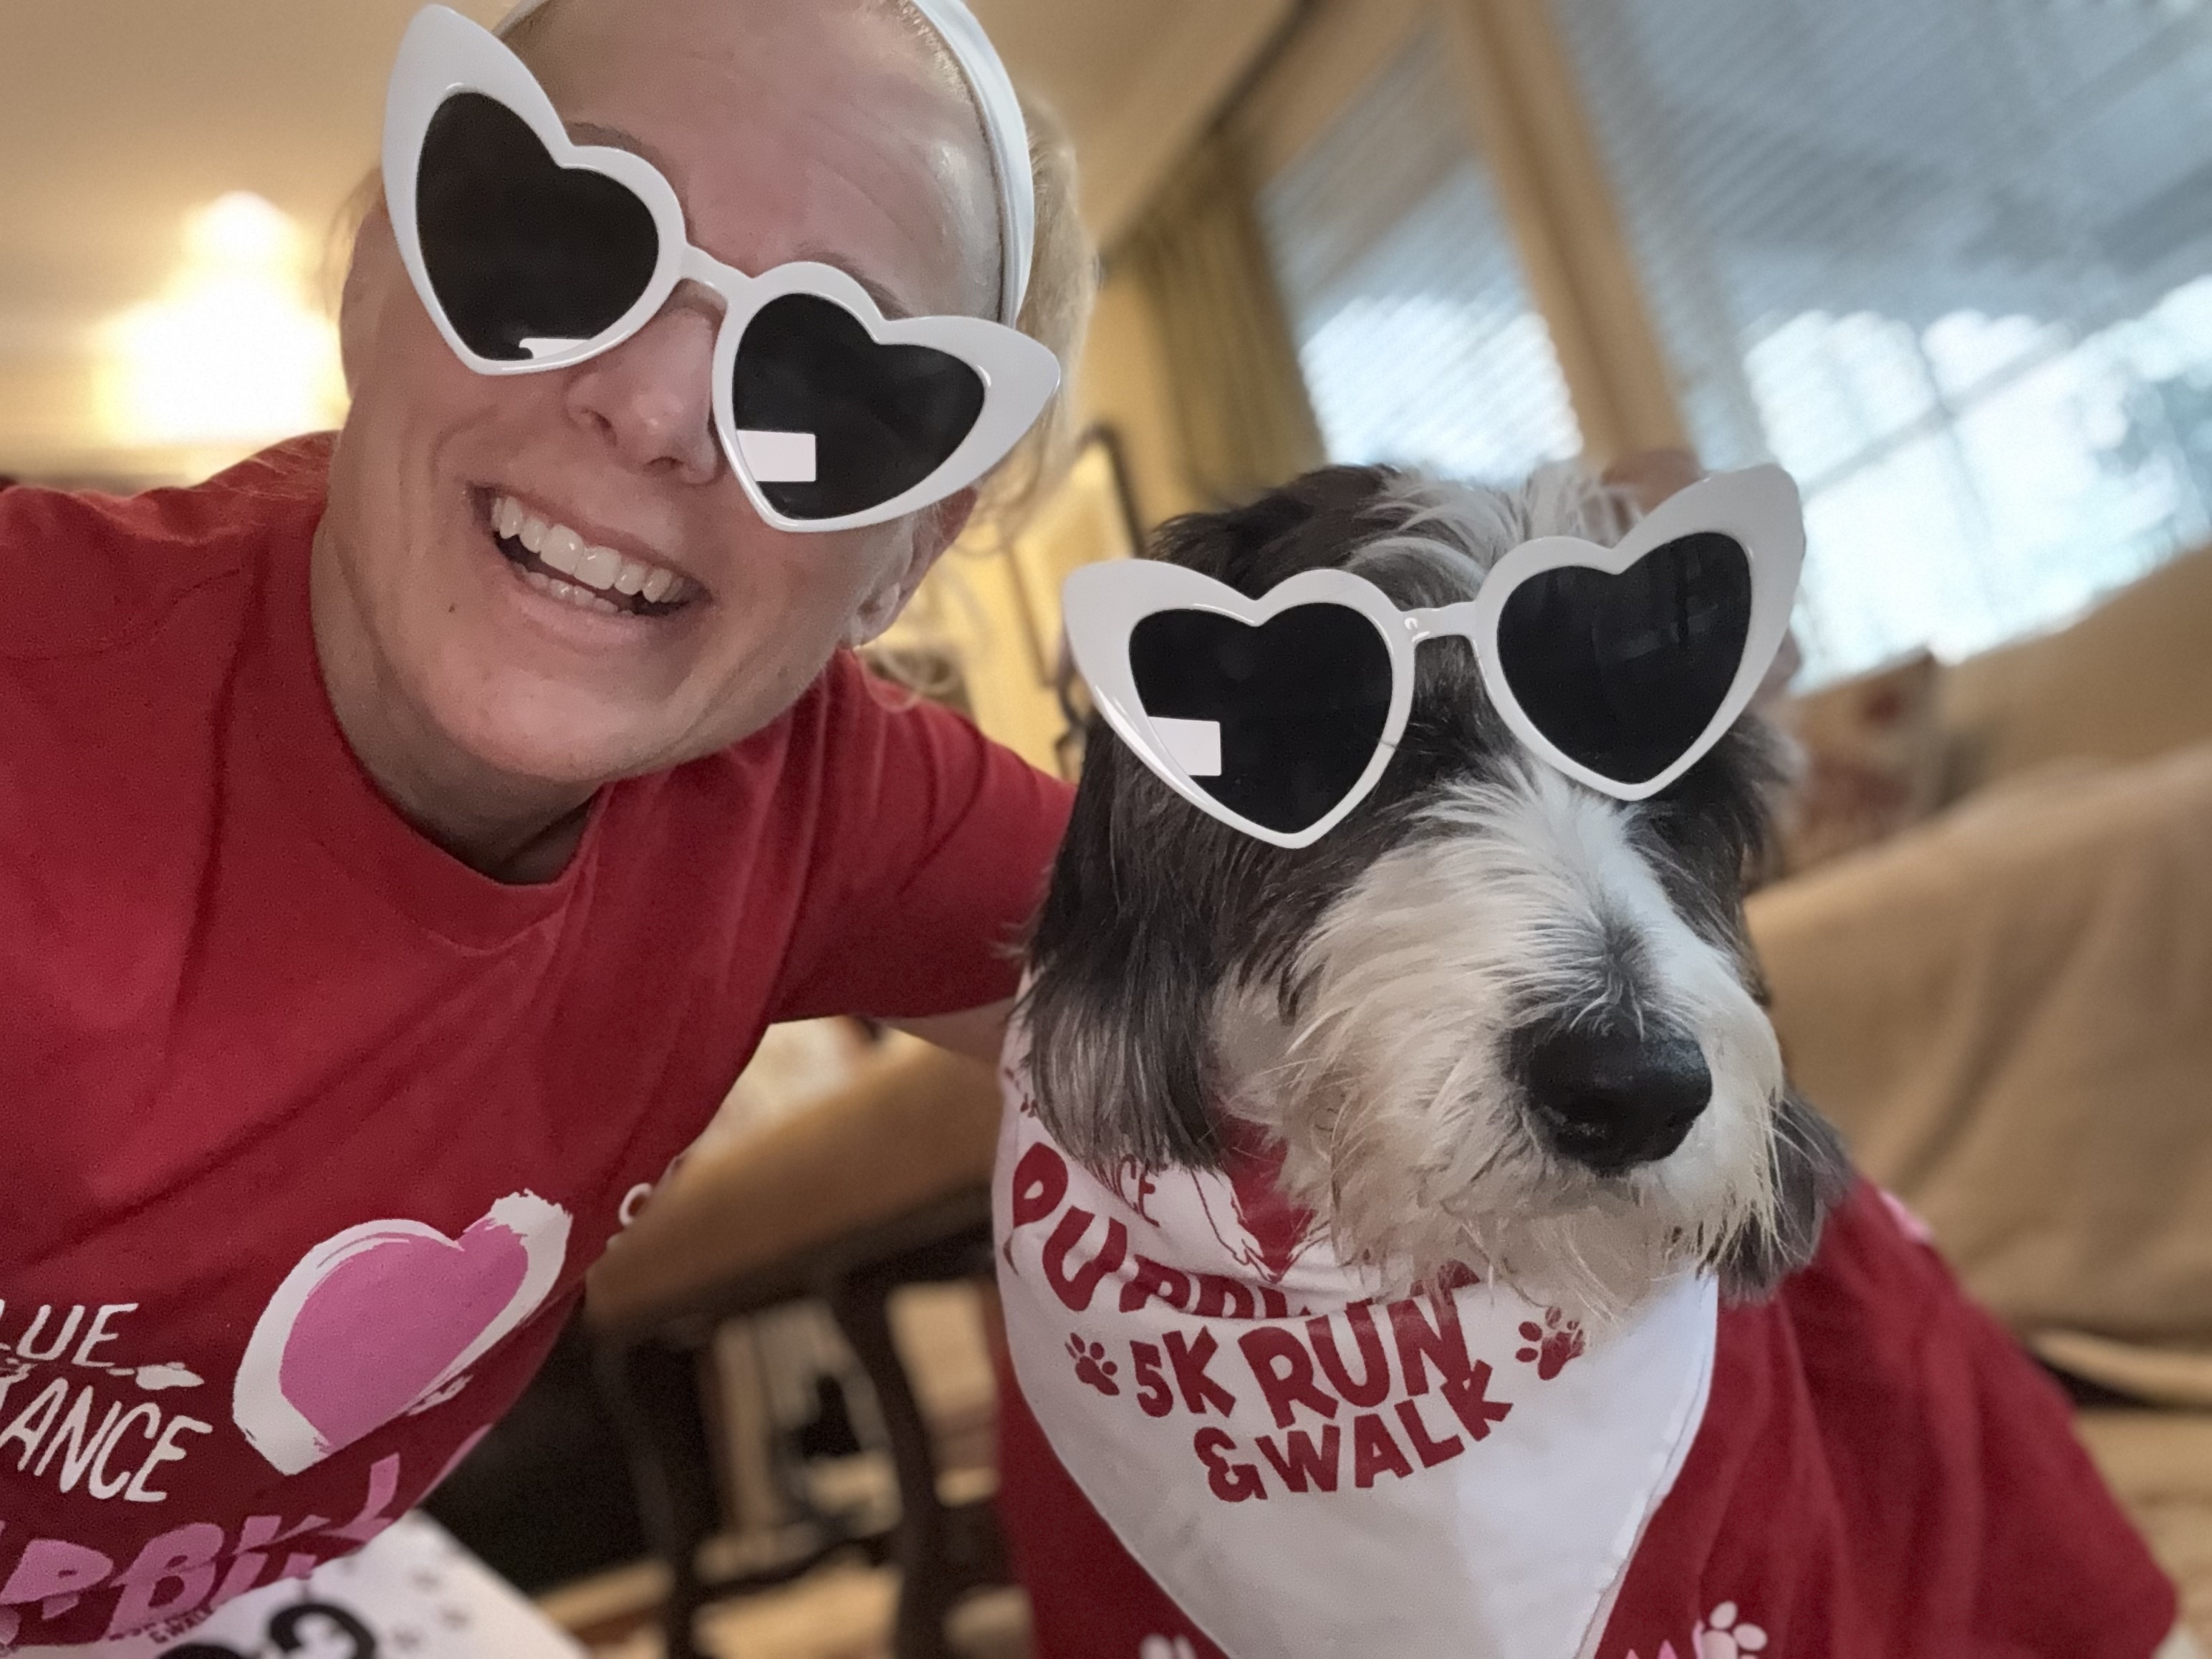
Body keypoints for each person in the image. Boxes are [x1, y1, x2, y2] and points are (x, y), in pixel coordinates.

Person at [0, 0, 1093, 1648]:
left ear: (907, 554)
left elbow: (1294, 1011)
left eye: (836, 377)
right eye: (560, 233)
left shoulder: (809, 798)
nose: (655, 408)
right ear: (375, 277)